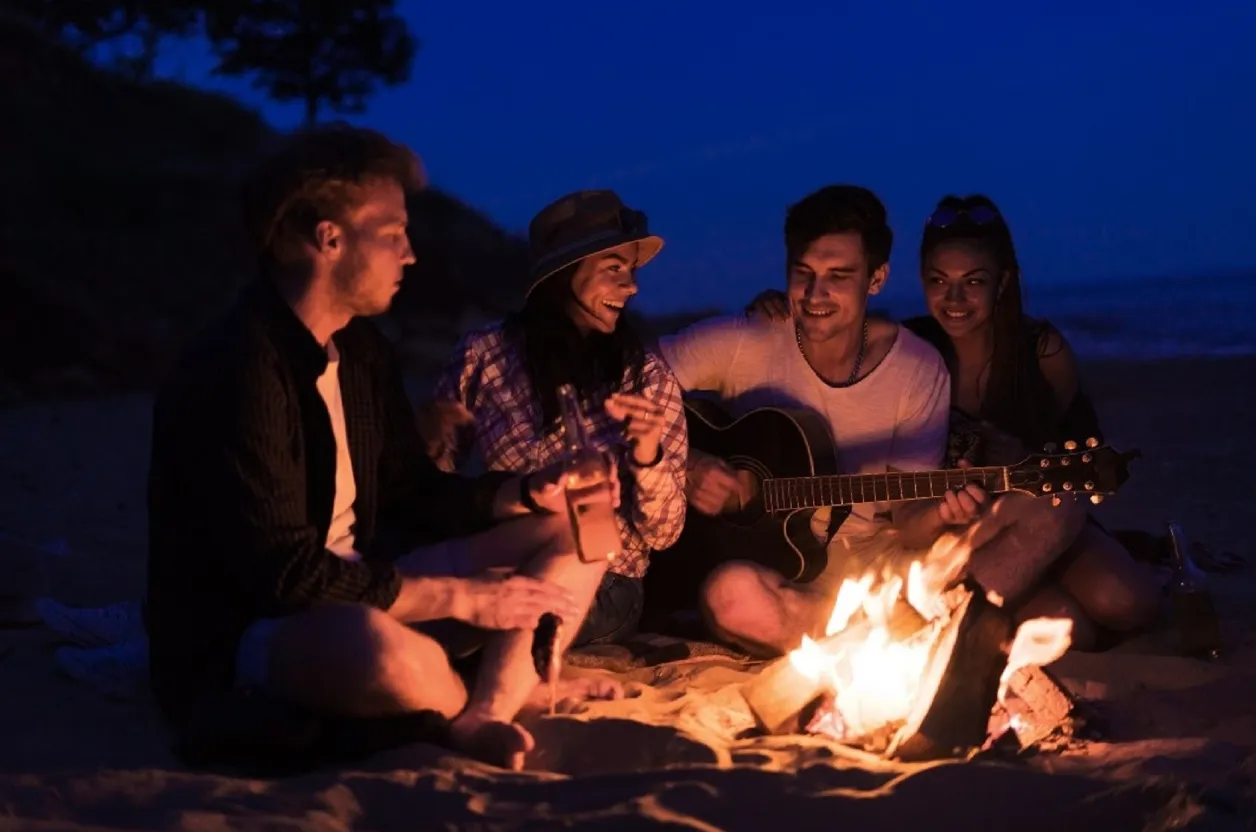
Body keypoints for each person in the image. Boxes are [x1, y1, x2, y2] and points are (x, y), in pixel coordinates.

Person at [144, 123, 623, 771]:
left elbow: (412, 492)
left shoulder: (361, 349)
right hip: (265, 629)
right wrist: (461, 599)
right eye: (393, 234)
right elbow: (287, 577)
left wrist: (522, 492)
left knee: (583, 522)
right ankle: (468, 706)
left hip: (379, 579)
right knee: (374, 648)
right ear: (328, 240)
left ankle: (488, 707)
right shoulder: (241, 368)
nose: (410, 254)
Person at [651, 184, 1098, 658]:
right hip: (775, 569)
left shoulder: (916, 367)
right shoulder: (745, 339)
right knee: (730, 597)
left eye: (839, 276)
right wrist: (692, 462)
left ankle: (888, 637)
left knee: (1058, 506)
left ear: (877, 277)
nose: (815, 294)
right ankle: (918, 638)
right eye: (803, 273)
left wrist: (942, 513)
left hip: (879, 559)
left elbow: (907, 526)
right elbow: (621, 384)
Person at [743, 194, 1160, 649]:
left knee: (1124, 602)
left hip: (1032, 513)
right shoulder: (910, 349)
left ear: (1001, 283)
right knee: (1066, 625)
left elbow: (1077, 461)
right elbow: (830, 332)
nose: (954, 298)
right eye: (938, 281)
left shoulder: (1041, 352)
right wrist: (774, 307)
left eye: (973, 282)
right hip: (947, 532)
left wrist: (1021, 456)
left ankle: (1149, 560)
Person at [420, 189, 687, 646]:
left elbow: (662, 535)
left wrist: (648, 455)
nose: (632, 286)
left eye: (632, 270)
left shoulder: (644, 378)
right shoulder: (485, 356)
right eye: (614, 269)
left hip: (607, 581)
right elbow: (434, 482)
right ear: (565, 274)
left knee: (505, 624)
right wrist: (424, 439)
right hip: (510, 556)